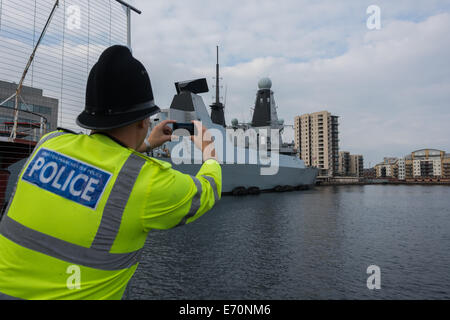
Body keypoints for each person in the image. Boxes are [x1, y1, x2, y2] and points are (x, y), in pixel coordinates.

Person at [0, 45, 221, 300]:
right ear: (143, 120)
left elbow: (103, 156)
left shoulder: (49, 143)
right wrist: (209, 153)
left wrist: (146, 143)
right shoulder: (150, 181)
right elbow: (208, 190)